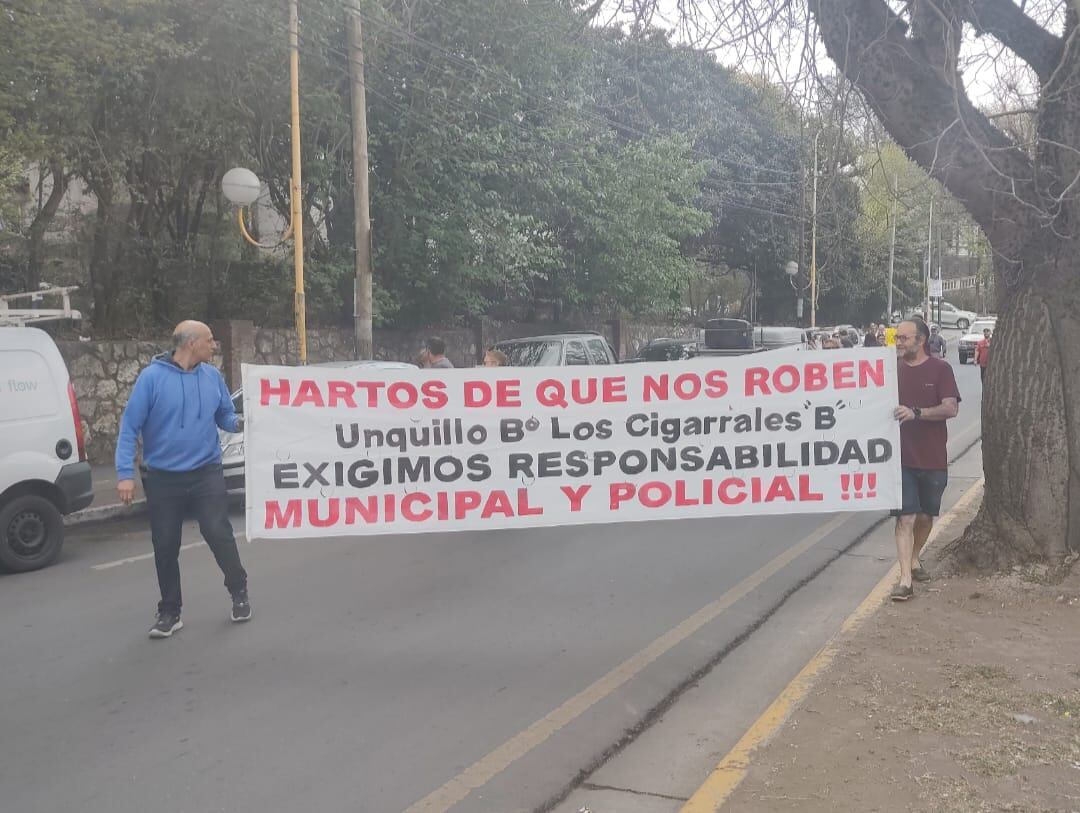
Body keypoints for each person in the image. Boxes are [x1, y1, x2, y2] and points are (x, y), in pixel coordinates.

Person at [116, 320, 251, 638]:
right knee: (165, 544)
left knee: (218, 532)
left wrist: (240, 422)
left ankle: (239, 592)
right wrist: (124, 475)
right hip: (163, 477)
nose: (214, 344)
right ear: (191, 343)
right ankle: (170, 612)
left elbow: (224, 415)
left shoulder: (212, 377)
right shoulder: (151, 379)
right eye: (209, 340)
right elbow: (129, 427)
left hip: (206, 471)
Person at [890, 319, 961, 602]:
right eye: (897, 338)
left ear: (920, 341)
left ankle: (915, 557)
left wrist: (916, 412)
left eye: (904, 338)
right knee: (905, 517)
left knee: (925, 516)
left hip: (932, 457)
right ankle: (905, 579)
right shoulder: (889, 370)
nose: (899, 343)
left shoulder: (941, 369)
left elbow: (951, 408)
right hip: (899, 458)